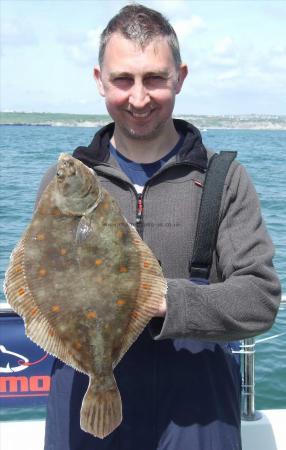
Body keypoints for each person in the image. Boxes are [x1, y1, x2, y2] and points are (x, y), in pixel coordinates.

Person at [40, 4, 281, 450]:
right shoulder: (66, 183)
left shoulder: (222, 179)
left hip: (197, 408)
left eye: (154, 78)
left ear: (180, 77)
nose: (138, 98)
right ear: (99, 81)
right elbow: (36, 282)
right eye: (122, 80)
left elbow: (259, 299)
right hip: (85, 397)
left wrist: (155, 296)